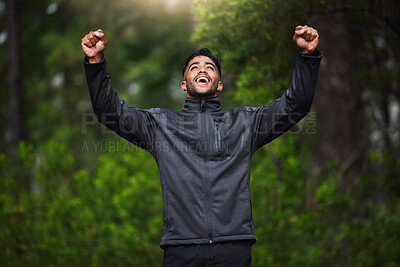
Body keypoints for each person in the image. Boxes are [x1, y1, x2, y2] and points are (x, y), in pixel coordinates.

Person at [82, 25, 321, 267]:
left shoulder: (247, 123)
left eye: (210, 67)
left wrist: (308, 57)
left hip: (234, 249)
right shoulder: (160, 126)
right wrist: (95, 62)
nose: (202, 69)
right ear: (184, 85)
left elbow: (296, 105)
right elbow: (108, 111)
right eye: (194, 67)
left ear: (219, 85)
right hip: (181, 249)